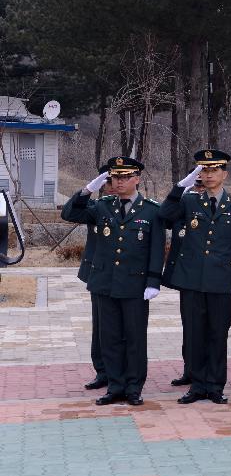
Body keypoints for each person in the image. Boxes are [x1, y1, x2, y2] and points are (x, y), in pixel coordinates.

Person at [62, 156, 165, 406]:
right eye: (115, 177)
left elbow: (157, 249)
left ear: (136, 179)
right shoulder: (103, 206)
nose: (118, 182)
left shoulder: (152, 210)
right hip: (104, 283)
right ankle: (115, 386)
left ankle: (133, 387)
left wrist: (153, 282)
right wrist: (89, 189)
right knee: (108, 338)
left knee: (134, 338)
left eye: (124, 177)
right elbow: (70, 213)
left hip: (134, 285)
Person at [160, 149, 231, 405]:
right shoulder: (189, 201)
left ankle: (215, 386)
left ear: (224, 174)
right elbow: (165, 216)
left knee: (217, 334)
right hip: (192, 281)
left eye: (214, 170)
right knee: (194, 334)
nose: (209, 175)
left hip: (221, 282)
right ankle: (197, 385)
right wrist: (179, 187)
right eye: (204, 170)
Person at [63, 164, 112, 392]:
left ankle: (122, 371)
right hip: (99, 275)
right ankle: (102, 372)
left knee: (123, 329)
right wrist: (87, 190)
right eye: (108, 182)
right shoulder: (95, 207)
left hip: (127, 277)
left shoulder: (140, 208)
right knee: (100, 327)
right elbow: (69, 213)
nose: (112, 187)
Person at [164, 177, 205, 387]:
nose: (200, 189)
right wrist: (180, 189)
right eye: (196, 185)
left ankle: (206, 372)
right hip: (187, 279)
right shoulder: (184, 206)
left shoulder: (221, 207)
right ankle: (189, 370)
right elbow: (165, 216)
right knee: (189, 328)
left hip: (212, 279)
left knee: (210, 329)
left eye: (203, 185)